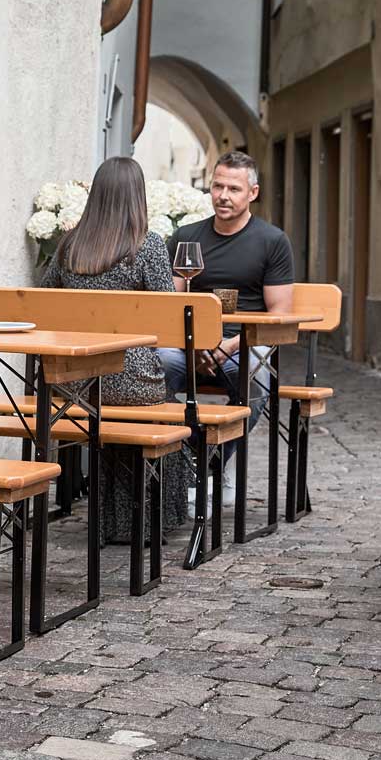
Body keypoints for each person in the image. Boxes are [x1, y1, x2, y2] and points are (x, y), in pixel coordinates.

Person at [39, 156, 188, 540]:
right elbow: (167, 321)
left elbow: (43, 299)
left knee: (110, 416)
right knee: (165, 405)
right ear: (137, 197)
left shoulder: (70, 245)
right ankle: (157, 518)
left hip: (77, 383)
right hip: (130, 380)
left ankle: (111, 519)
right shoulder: (148, 245)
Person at [161, 152, 295, 507]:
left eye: (233, 188)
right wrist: (194, 346)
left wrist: (230, 346)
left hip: (242, 345)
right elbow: (170, 304)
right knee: (156, 366)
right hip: (189, 347)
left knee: (257, 377)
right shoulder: (187, 237)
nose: (223, 195)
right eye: (217, 185)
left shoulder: (272, 241)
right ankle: (178, 456)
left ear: (253, 192)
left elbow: (279, 314)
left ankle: (209, 461)